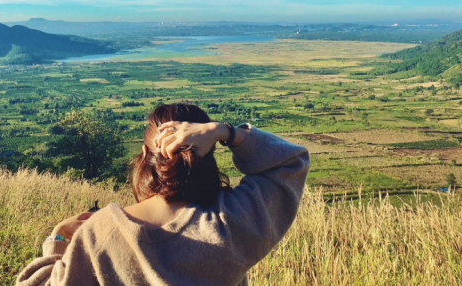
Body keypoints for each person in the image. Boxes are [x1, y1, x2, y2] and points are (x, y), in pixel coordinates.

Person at [16, 103, 310, 286]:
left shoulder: (99, 234)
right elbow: (290, 161)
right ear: (207, 156)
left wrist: (57, 242)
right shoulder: (231, 222)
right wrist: (225, 132)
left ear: (145, 155)